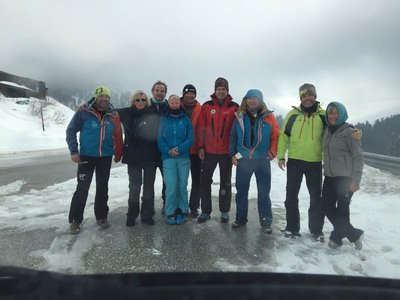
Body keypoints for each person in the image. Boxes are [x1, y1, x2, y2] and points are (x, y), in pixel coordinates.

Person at [277, 83, 361, 241]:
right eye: (304, 95)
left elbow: (340, 126)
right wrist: (281, 156)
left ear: (315, 96)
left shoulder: (324, 115)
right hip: (294, 161)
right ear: (300, 97)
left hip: (314, 162)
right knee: (291, 196)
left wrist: (355, 131)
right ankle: (291, 228)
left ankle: (316, 231)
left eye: (310, 95)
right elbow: (283, 136)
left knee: (316, 198)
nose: (307, 98)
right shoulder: (292, 115)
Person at [66, 85, 123, 234]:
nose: (104, 99)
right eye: (101, 96)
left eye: (107, 97)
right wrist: (73, 150)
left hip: (104, 157)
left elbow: (118, 134)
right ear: (96, 98)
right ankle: (75, 220)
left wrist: (117, 153)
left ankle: (102, 217)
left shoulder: (113, 115)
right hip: (86, 156)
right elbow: (71, 130)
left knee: (103, 187)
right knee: (82, 188)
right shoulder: (84, 112)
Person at [229, 89, 280, 233]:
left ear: (261, 100)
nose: (252, 101)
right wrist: (233, 154)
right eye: (249, 98)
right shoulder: (239, 116)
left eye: (255, 98)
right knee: (241, 191)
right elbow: (232, 136)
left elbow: (275, 135)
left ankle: (266, 222)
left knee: (264, 192)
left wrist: (272, 152)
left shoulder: (269, 117)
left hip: (262, 160)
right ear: (245, 100)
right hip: (243, 159)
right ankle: (240, 219)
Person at [322, 102, 364, 250]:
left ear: (342, 114)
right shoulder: (326, 129)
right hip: (329, 176)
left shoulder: (350, 132)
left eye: (336, 113)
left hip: (345, 179)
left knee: (342, 210)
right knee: (327, 207)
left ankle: (336, 238)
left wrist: (356, 181)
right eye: (330, 113)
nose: (332, 116)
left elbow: (358, 157)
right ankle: (354, 234)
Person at [197, 77, 239, 223]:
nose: (221, 91)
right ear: (215, 90)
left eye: (223, 89)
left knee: (225, 183)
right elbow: (201, 128)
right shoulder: (207, 106)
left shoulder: (234, 107)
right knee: (205, 181)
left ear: (227, 91)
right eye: (218, 89)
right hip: (208, 152)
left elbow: (239, 131)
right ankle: (206, 211)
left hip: (226, 152)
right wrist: (201, 146)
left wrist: (235, 152)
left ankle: (224, 211)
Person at [119, 90, 159, 226]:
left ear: (146, 101)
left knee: (148, 189)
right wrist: (87, 105)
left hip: (150, 157)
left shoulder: (152, 114)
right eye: (137, 100)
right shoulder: (126, 113)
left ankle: (147, 215)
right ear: (133, 101)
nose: (140, 102)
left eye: (143, 100)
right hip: (133, 157)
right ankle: (132, 215)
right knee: (134, 188)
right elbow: (108, 110)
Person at [157, 94, 194, 225]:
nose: (174, 105)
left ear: (180, 104)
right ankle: (170, 212)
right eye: (172, 102)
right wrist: (168, 150)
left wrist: (179, 149)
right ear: (169, 104)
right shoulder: (164, 119)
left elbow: (190, 138)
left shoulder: (185, 119)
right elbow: (160, 138)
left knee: (182, 186)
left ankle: (182, 211)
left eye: (177, 103)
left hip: (183, 157)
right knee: (171, 186)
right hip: (168, 158)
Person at [181, 84, 202, 218]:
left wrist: (202, 146)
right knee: (180, 181)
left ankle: (194, 207)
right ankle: (179, 205)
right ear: (183, 94)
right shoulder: (176, 106)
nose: (189, 95)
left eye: (192, 93)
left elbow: (203, 129)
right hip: (181, 150)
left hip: (195, 150)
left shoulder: (200, 109)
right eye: (187, 93)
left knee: (197, 180)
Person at [150, 80, 168, 214]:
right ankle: (148, 206)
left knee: (167, 180)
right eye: (157, 90)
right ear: (152, 92)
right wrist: (90, 103)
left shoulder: (169, 106)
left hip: (164, 150)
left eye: (162, 91)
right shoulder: (145, 105)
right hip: (149, 150)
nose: (159, 93)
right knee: (149, 181)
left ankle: (167, 202)